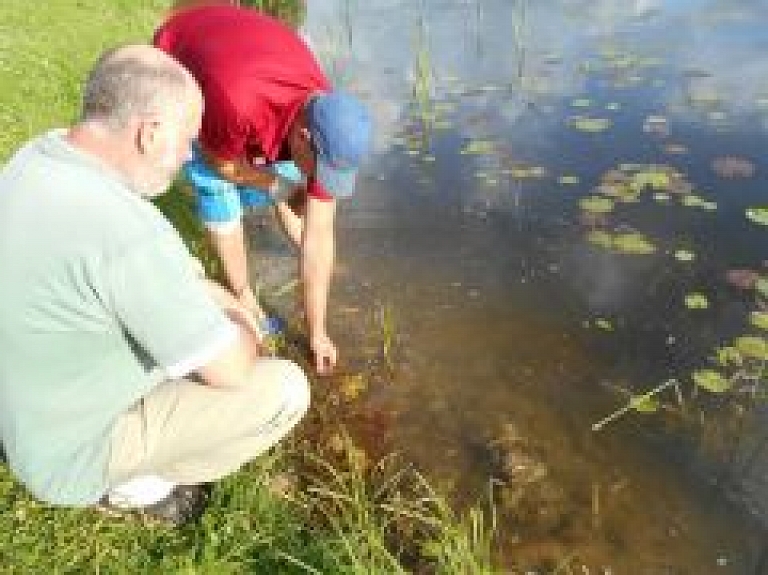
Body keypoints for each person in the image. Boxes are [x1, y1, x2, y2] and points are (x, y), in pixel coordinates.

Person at [0, 45, 310, 525]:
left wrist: (205, 291)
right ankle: (136, 489)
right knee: (285, 389)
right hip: (67, 455)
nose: (189, 156)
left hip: (28, 404)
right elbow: (230, 369)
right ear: (150, 133)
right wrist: (242, 319)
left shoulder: (41, 154)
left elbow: (162, 270)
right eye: (188, 140)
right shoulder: (127, 236)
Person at [154, 4, 373, 375]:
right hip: (179, 53)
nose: (322, 180)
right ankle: (242, 296)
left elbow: (319, 232)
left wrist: (318, 332)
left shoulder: (326, 120)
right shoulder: (236, 102)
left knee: (291, 179)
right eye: (321, 170)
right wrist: (278, 184)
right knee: (218, 189)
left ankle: (302, 261)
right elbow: (219, 164)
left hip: (247, 59)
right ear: (304, 138)